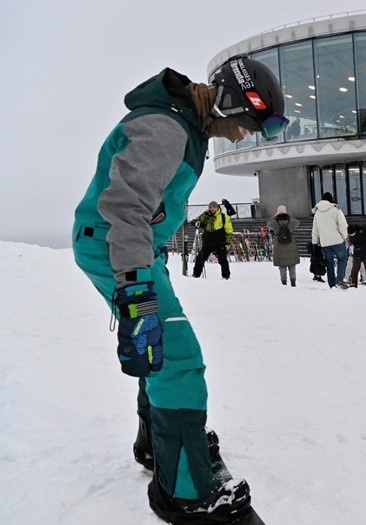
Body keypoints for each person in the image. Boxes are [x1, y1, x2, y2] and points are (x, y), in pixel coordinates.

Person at [71, 56, 287, 522]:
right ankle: (185, 493)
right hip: (117, 248)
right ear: (230, 104)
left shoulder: (183, 124)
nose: (245, 134)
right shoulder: (167, 128)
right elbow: (124, 208)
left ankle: (161, 444)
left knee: (159, 349)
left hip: (136, 248)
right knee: (177, 356)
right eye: (248, 123)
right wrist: (135, 293)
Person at [311, 192, 349, 289]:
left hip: (325, 243)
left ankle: (332, 284)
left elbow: (315, 230)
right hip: (338, 241)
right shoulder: (336, 210)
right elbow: (342, 225)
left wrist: (315, 243)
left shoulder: (317, 213)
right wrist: (344, 236)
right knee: (342, 259)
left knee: (329, 263)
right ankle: (340, 280)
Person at [191, 201, 234, 279]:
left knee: (222, 259)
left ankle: (226, 276)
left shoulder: (223, 216)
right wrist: (197, 222)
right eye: (210, 207)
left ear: (217, 208)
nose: (212, 209)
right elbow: (195, 221)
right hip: (207, 242)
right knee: (200, 258)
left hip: (220, 242)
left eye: (214, 207)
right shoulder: (206, 215)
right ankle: (196, 275)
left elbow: (229, 230)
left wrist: (228, 241)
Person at [267, 205, 300, 287]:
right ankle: (293, 281)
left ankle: (284, 282)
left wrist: (274, 216)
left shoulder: (275, 222)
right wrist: (288, 216)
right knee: (292, 264)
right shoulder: (290, 221)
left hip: (279, 245)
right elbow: (298, 223)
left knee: (282, 265)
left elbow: (268, 224)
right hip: (291, 244)